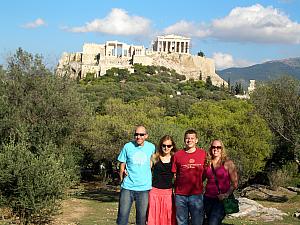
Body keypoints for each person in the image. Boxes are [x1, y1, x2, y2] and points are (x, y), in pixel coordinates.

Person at [116, 125, 155, 225]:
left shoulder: (151, 147)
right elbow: (122, 164)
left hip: (144, 188)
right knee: (122, 217)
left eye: (141, 134)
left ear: (146, 136)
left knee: (141, 219)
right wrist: (121, 177)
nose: (139, 137)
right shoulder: (127, 146)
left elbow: (151, 162)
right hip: (127, 187)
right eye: (136, 134)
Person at [171, 129, 206, 225]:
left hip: (196, 194)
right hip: (180, 195)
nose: (189, 140)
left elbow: (205, 173)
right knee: (182, 222)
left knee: (197, 221)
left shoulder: (203, 154)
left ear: (196, 140)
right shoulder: (177, 155)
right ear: (184, 140)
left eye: (192, 138)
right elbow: (174, 174)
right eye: (187, 138)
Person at [203, 139, 238, 225]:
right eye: (213, 147)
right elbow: (201, 179)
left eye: (218, 147)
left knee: (213, 222)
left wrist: (226, 194)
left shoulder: (228, 163)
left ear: (222, 149)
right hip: (207, 198)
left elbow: (235, 184)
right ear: (210, 148)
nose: (216, 149)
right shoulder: (207, 163)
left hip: (221, 199)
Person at [148, 135, 177, 225]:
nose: (166, 148)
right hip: (154, 193)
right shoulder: (154, 157)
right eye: (164, 145)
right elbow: (145, 171)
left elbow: (177, 175)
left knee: (168, 219)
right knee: (154, 218)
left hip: (168, 193)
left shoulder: (175, 159)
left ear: (172, 146)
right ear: (161, 145)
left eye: (168, 146)